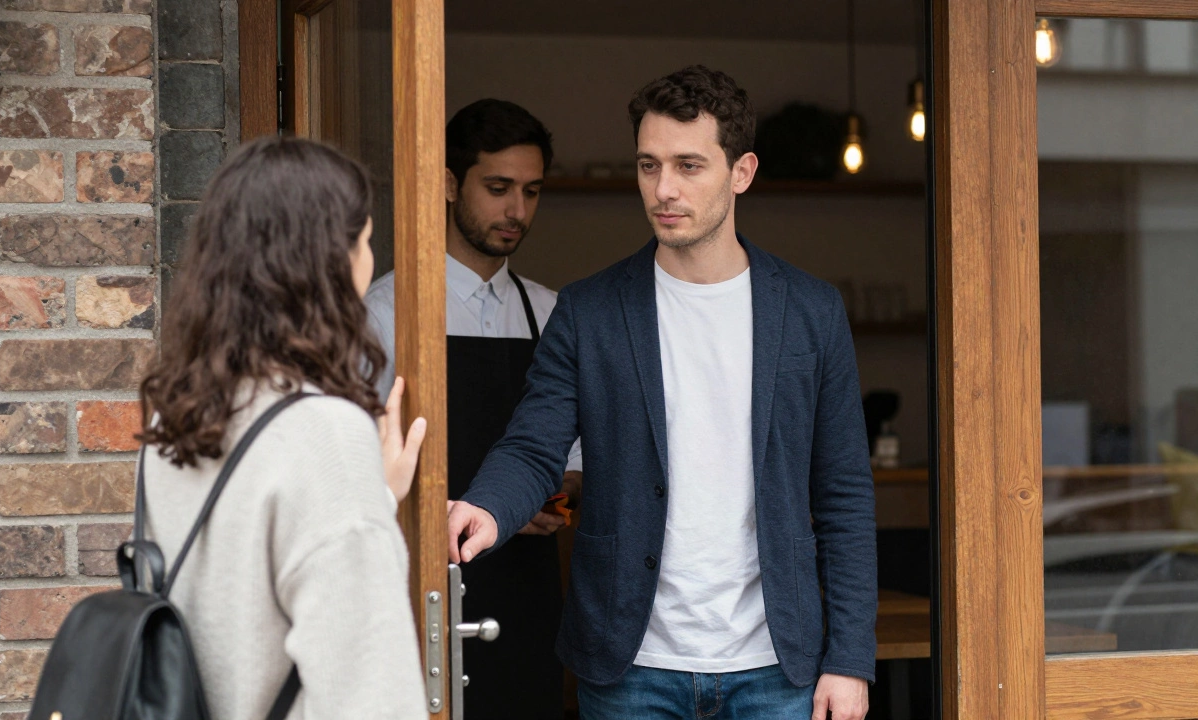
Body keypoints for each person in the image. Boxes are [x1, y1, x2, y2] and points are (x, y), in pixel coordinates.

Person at [447, 66, 877, 720]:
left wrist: (849, 659)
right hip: (632, 670)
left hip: (775, 669)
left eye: (688, 166)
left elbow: (843, 491)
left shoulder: (811, 313)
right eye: (649, 166)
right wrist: (487, 506)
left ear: (743, 171)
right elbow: (534, 446)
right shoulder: (589, 311)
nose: (663, 190)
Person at [137, 137, 429, 720]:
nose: (370, 260)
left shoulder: (177, 411)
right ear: (330, 263)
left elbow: (237, 598)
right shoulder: (325, 433)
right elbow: (372, 693)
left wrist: (373, 495)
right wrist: (360, 484)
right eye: (367, 242)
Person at [366, 98, 578, 720]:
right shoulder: (388, 312)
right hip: (423, 586)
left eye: (532, 191)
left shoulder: (552, 311)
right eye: (498, 188)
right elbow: (360, 468)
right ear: (451, 185)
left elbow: (576, 456)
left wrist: (545, 496)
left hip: (531, 592)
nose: (516, 211)